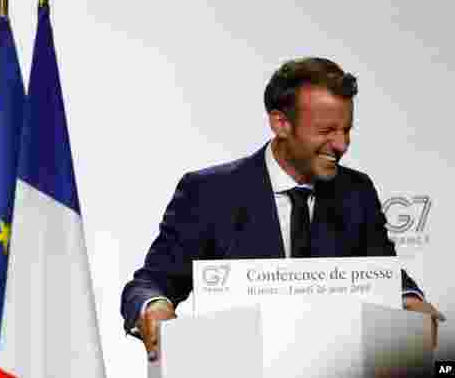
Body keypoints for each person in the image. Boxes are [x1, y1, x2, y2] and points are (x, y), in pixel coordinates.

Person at [121, 57, 445, 362]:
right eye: (326, 131)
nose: (342, 145)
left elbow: (383, 275)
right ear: (281, 123)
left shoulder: (356, 192)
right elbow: (150, 284)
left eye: (346, 130)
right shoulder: (209, 193)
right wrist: (154, 307)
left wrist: (410, 300)